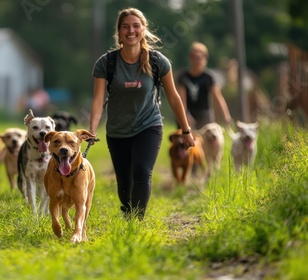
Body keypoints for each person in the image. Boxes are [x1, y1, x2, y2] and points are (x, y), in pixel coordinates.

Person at [89, 7, 194, 220]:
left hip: (149, 126)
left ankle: (136, 222)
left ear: (143, 29)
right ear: (119, 32)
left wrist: (186, 130)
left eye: (136, 26)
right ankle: (128, 212)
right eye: (126, 26)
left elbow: (174, 97)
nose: (131, 31)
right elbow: (98, 100)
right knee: (124, 182)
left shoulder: (158, 62)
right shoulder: (106, 63)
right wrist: (91, 129)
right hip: (117, 130)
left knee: (141, 172)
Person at [176, 42, 232, 129]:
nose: (197, 61)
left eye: (199, 58)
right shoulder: (183, 77)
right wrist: (185, 115)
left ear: (204, 59)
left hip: (204, 114)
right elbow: (181, 100)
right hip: (188, 112)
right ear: (190, 58)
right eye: (194, 58)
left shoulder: (208, 77)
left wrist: (226, 116)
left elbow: (218, 97)